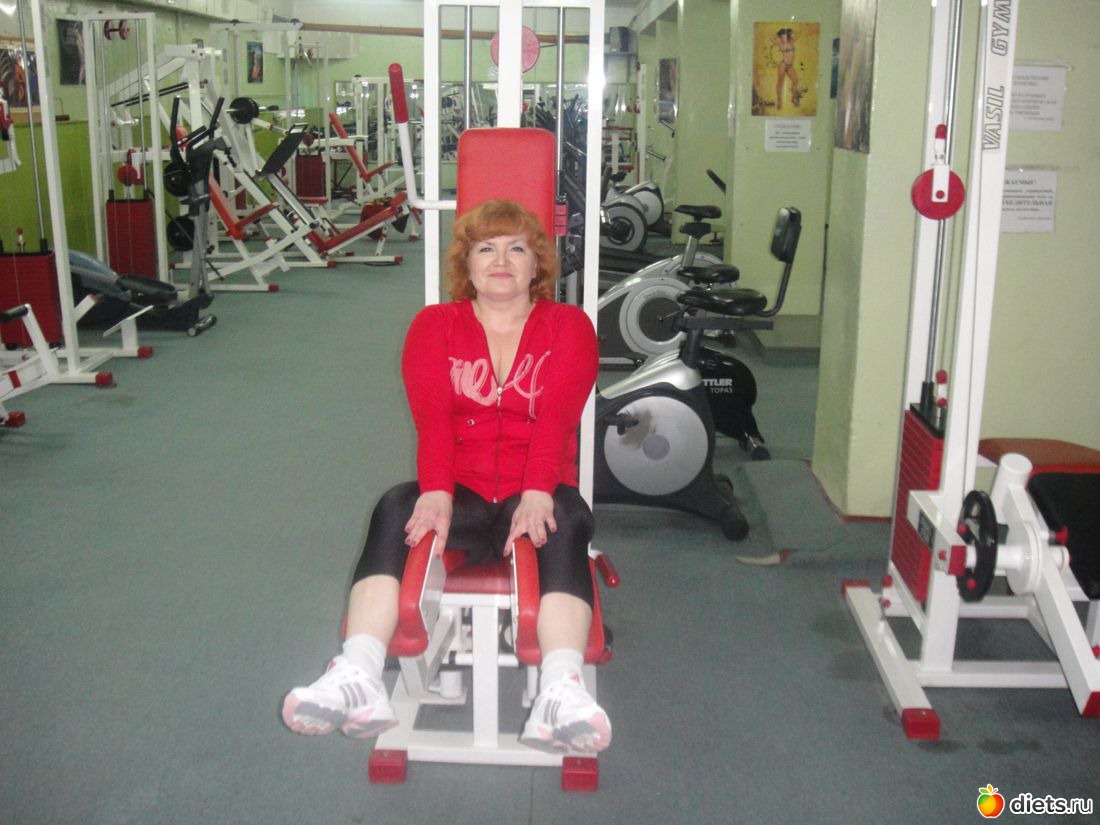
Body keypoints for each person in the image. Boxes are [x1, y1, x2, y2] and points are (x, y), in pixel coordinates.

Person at [282, 198, 611, 753]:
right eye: (486, 249)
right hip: (464, 491)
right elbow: (432, 421)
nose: (500, 261)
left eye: (516, 249)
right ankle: (358, 672)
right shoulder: (435, 326)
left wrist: (538, 492)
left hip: (534, 486)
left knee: (566, 516)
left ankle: (561, 690)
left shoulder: (569, 326)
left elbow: (556, 420)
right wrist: (435, 493)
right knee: (397, 505)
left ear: (537, 264)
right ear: (467, 264)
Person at [773, 28, 800, 109]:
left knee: (795, 81)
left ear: (788, 37)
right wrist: (777, 34)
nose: (783, 39)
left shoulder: (791, 41)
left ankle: (793, 97)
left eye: (784, 37)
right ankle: (779, 100)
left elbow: (799, 33)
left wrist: (790, 31)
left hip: (790, 66)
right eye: (781, 37)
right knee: (780, 83)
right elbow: (771, 38)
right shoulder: (781, 44)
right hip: (783, 65)